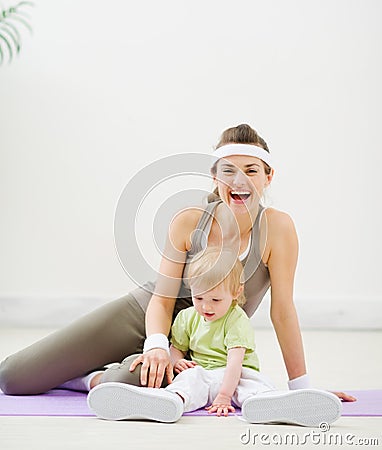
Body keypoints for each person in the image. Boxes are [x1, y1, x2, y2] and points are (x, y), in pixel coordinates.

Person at [0, 124, 355, 404]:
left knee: (131, 382)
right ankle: (107, 361)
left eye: (251, 170)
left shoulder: (278, 229)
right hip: (144, 314)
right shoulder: (189, 220)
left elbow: (283, 312)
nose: (239, 180)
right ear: (214, 178)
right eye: (228, 170)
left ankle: (91, 378)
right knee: (13, 377)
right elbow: (163, 299)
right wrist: (155, 343)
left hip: (200, 340)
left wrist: (301, 387)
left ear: (268, 177)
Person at [87, 247, 343, 426]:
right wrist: (176, 361)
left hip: (235, 375)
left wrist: (223, 395)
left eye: (215, 300)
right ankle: (167, 403)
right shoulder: (187, 317)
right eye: (199, 298)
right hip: (203, 373)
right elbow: (177, 347)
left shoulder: (236, 320)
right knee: (188, 382)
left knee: (253, 385)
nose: (206, 307)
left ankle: (269, 406)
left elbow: (235, 364)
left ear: (236, 292)